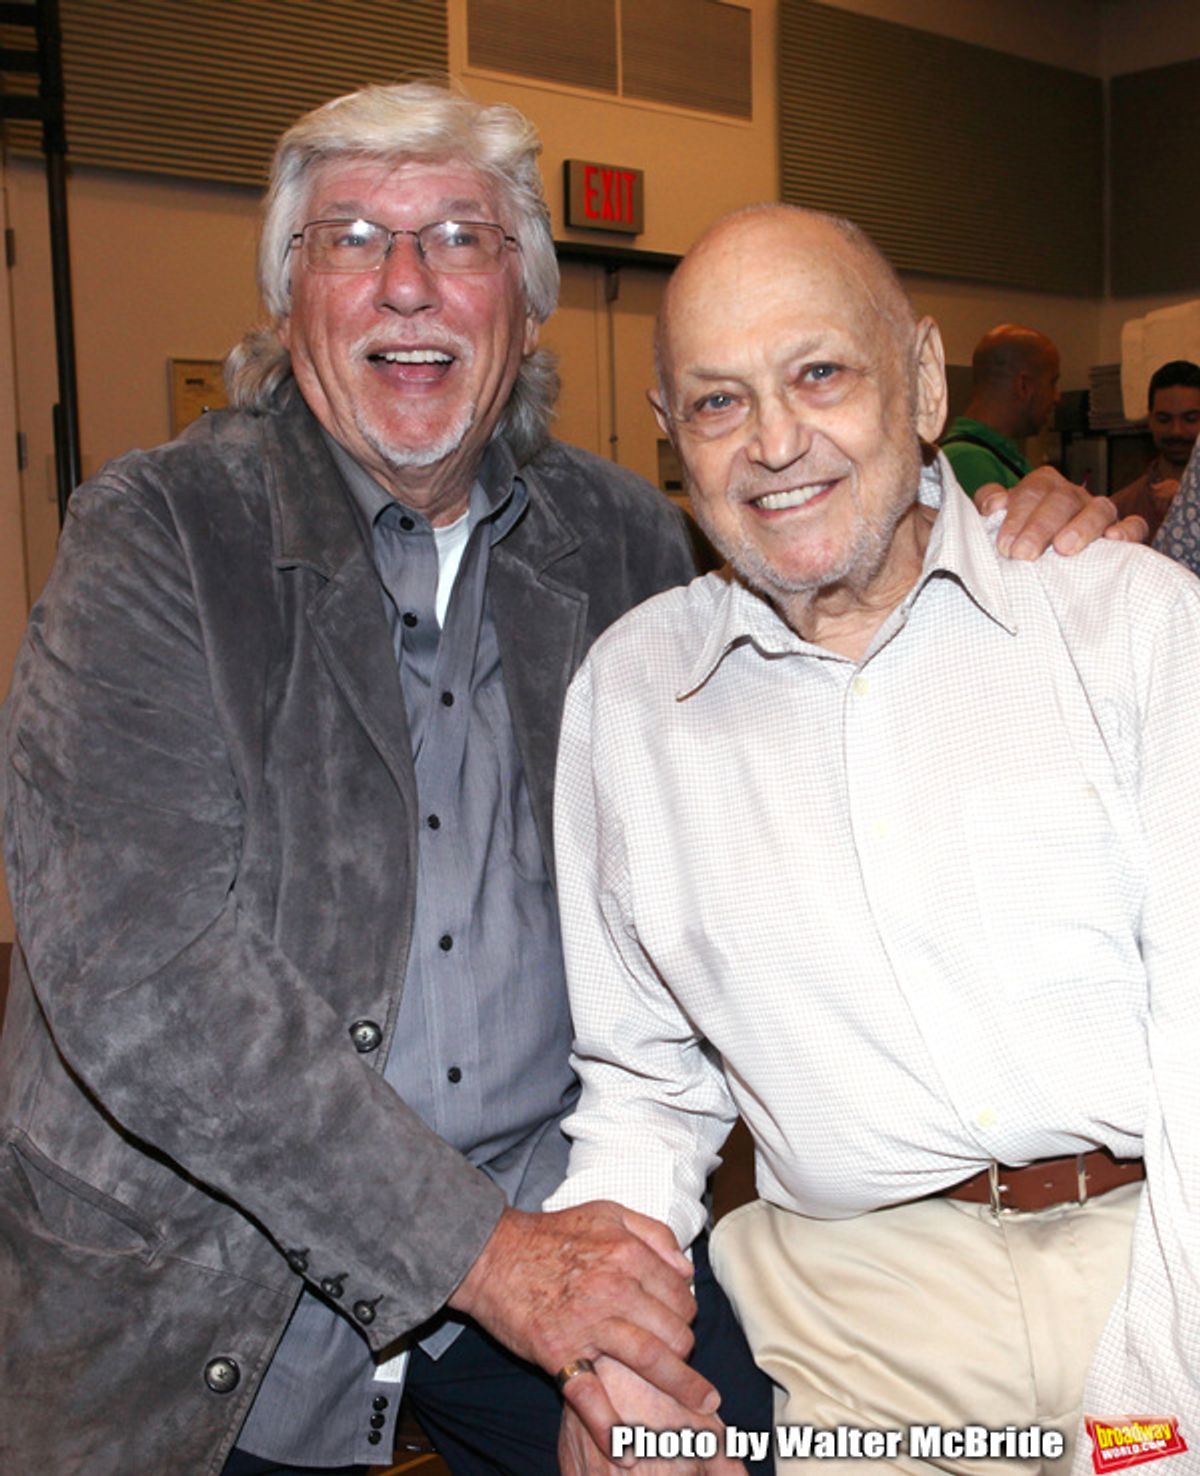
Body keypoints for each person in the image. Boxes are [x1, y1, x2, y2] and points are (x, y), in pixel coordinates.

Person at [0, 85, 1131, 1476]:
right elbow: (144, 981)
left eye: (461, 240)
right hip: (215, 1259)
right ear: (289, 299)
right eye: (352, 238)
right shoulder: (158, 538)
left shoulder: (620, 549)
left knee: (716, 1455)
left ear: (525, 304)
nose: (407, 281)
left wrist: (990, 521)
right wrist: (490, 1261)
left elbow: (823, 573)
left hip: (550, 1205)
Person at [547, 205, 1199, 1475]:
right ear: (672, 436)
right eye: (721, 403)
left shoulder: (1130, 629)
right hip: (854, 1325)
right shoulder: (631, 700)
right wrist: (609, 1363)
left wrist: (1149, 1421)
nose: (777, 443)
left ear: (923, 379)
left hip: (1159, 1258)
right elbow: (642, 1092)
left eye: (820, 374)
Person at [940, 323, 1061, 496]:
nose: (1057, 396)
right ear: (1023, 386)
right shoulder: (969, 460)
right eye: (1052, 383)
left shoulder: (999, 457)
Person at [1113, 359, 1200, 540]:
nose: (1177, 431)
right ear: (1150, 420)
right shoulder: (1122, 508)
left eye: (1190, 419)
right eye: (1164, 419)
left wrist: (1189, 502)